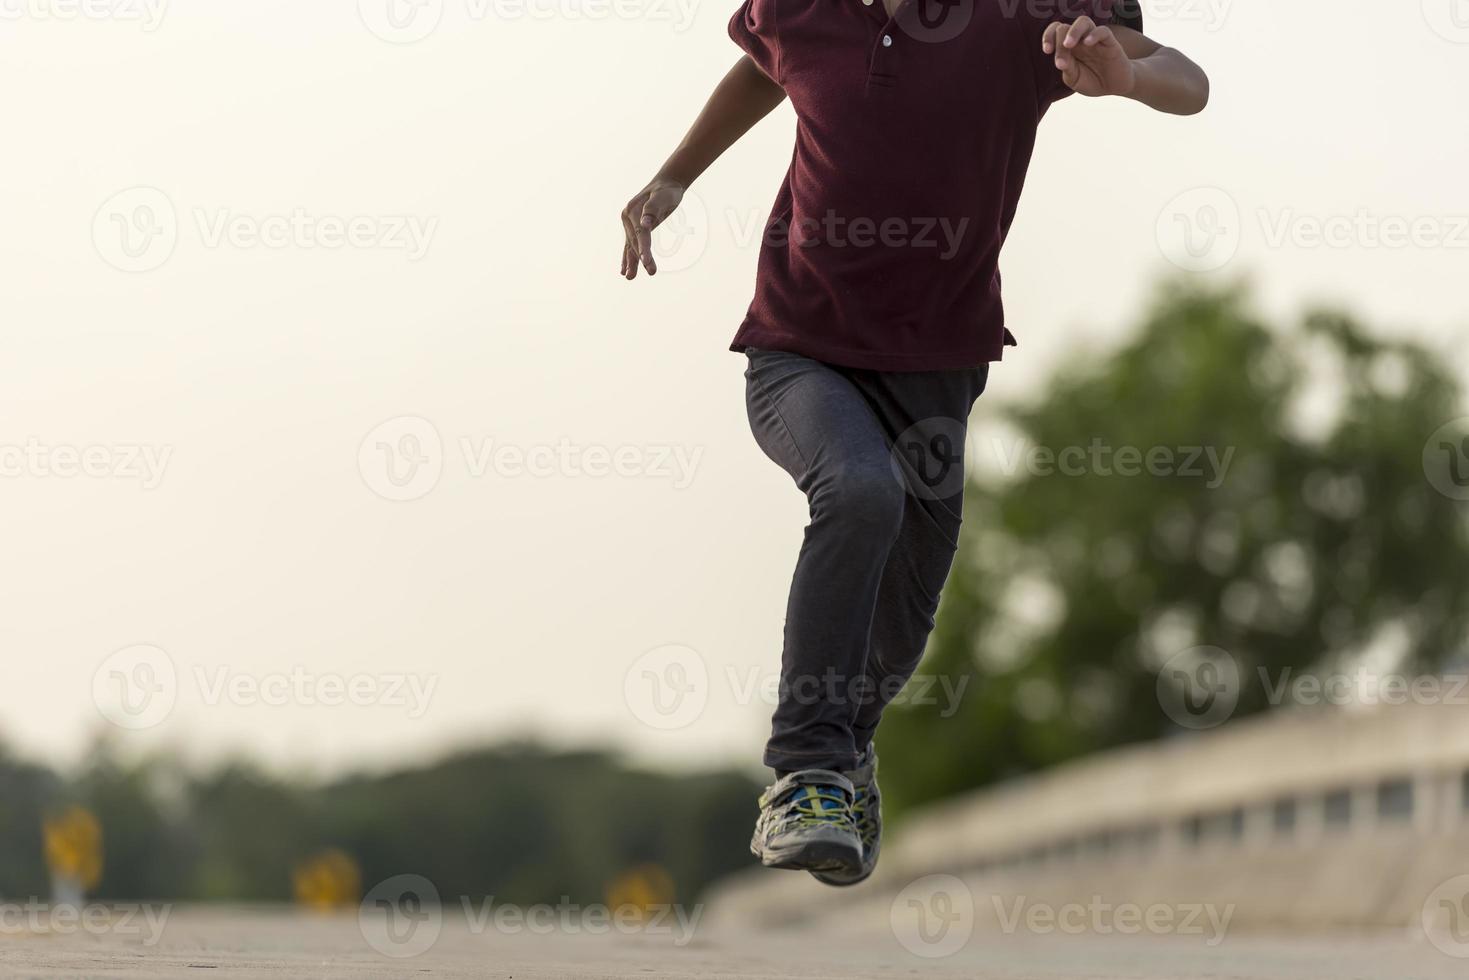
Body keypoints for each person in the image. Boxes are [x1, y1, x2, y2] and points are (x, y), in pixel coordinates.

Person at [620, 0, 1209, 885]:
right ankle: (804, 772)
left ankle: (848, 753)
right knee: (858, 491)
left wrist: (1124, 79)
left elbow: (1186, 80)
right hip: (797, 354)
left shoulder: (1023, 24)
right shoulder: (803, 10)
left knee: (903, 620)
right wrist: (675, 177)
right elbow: (759, 67)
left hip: (938, 371)